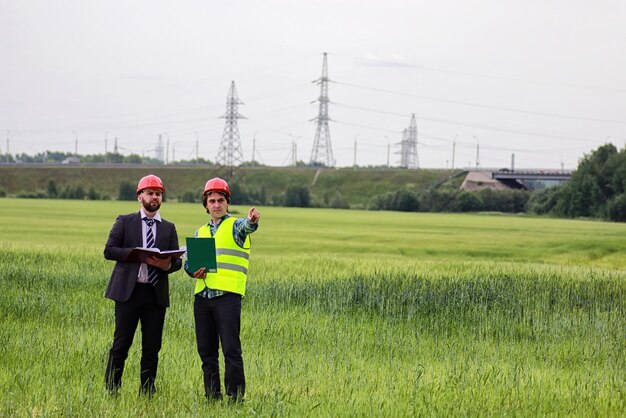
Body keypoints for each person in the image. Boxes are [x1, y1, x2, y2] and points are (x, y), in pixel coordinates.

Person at [103, 174, 182, 396]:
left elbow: (176, 262)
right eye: (150, 193)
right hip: (128, 293)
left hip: (155, 295)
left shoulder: (168, 227)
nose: (155, 197)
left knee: (152, 348)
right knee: (121, 345)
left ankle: (147, 392)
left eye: (158, 194)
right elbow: (109, 250)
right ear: (140, 197)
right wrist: (135, 254)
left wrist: (166, 265)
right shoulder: (124, 221)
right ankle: (111, 389)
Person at [185, 177, 260, 402]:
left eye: (220, 200)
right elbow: (189, 263)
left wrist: (252, 220)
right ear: (206, 205)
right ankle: (212, 396)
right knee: (206, 352)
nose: (216, 204)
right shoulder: (200, 232)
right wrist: (192, 271)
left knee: (231, 350)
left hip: (227, 298)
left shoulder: (235, 226)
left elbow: (247, 227)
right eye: (212, 201)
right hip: (203, 297)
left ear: (227, 203)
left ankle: (235, 398)